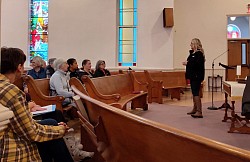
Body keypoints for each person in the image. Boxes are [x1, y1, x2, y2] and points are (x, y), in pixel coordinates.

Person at [0, 47, 73, 161]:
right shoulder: (11, 91)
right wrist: (60, 130)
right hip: (10, 149)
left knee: (51, 123)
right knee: (52, 131)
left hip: (8, 135)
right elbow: (32, 133)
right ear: (19, 67)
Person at [183, 38, 205, 118]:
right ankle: (195, 109)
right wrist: (187, 63)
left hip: (197, 76)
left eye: (192, 43)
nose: (190, 45)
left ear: (196, 44)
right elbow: (191, 62)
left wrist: (187, 63)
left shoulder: (199, 54)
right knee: (194, 92)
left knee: (196, 93)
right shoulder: (192, 53)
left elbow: (197, 65)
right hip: (192, 76)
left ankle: (199, 111)